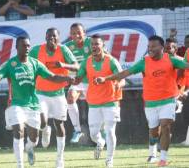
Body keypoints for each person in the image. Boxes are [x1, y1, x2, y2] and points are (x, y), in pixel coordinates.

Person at [95, 35, 189, 167]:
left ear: (162, 48)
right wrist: (106, 79)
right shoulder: (144, 62)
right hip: (150, 102)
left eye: (153, 46)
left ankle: (163, 159)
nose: (150, 49)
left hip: (168, 100)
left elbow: (186, 65)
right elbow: (125, 73)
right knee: (154, 131)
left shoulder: (171, 60)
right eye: (149, 47)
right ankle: (152, 152)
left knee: (166, 126)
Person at [0, 36, 73, 168]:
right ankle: (20, 164)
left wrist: (66, 78)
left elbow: (52, 77)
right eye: (23, 45)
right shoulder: (10, 64)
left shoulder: (35, 63)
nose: (26, 48)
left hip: (33, 105)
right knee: (19, 130)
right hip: (16, 104)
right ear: (17, 47)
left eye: (28, 45)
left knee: (33, 139)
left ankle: (29, 147)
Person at [29, 27, 79, 168]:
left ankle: (59, 158)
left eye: (54, 36)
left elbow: (77, 66)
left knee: (59, 125)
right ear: (45, 38)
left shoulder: (63, 50)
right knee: (41, 120)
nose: (52, 39)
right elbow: (27, 64)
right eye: (49, 36)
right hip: (40, 93)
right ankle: (45, 130)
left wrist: (64, 64)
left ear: (58, 37)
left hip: (58, 93)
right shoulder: (36, 50)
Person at [73, 34, 124, 168]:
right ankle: (100, 143)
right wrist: (75, 80)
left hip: (111, 101)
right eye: (92, 44)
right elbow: (79, 76)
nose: (94, 46)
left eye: (97, 44)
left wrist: (119, 83)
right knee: (93, 134)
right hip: (94, 102)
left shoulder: (111, 60)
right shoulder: (87, 61)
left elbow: (122, 77)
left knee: (110, 130)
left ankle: (109, 160)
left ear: (103, 45)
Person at [65, 22, 92, 143]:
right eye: (73, 33)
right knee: (70, 98)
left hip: (92, 81)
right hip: (78, 81)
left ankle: (101, 131)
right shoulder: (67, 47)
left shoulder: (92, 43)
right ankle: (77, 130)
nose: (76, 35)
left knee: (96, 107)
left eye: (79, 33)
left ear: (84, 33)